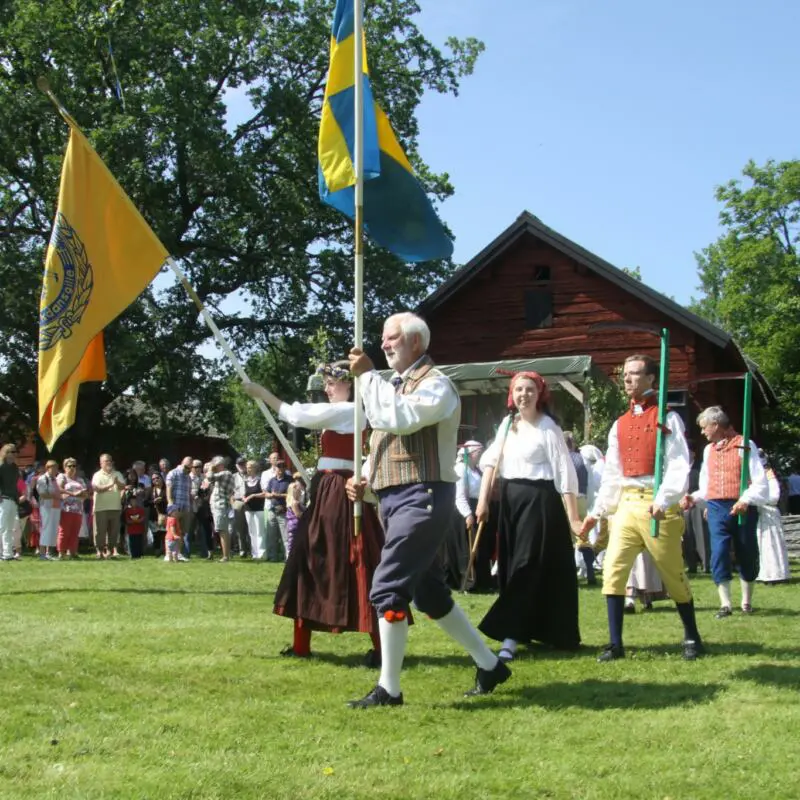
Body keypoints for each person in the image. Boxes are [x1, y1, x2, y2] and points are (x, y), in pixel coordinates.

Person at [345, 312, 511, 707]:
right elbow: (386, 442)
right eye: (384, 339)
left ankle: (390, 688)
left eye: (392, 339)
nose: (383, 345)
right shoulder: (392, 387)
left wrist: (367, 376)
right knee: (429, 594)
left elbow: (398, 419)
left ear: (416, 343)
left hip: (424, 498)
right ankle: (490, 665)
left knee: (388, 587)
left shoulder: (437, 386)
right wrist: (366, 484)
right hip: (399, 500)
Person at [244, 362, 384, 663]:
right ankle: (301, 645)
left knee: (343, 561)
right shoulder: (346, 412)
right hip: (328, 488)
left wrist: (262, 393)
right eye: (326, 382)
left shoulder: (349, 410)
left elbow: (296, 415)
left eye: (332, 382)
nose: (327, 387)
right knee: (310, 560)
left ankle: (381, 648)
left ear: (350, 384)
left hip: (338, 492)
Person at [580, 354, 703, 662]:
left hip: (655, 503)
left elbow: (678, 463)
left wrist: (664, 500)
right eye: (625, 375)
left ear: (651, 379)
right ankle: (615, 643)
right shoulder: (619, 424)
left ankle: (691, 635)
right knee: (613, 570)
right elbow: (612, 474)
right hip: (626, 504)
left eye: (635, 374)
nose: (628, 380)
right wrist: (597, 512)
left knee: (673, 572)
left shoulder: (667, 417)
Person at [476, 372, 582, 661]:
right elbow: (489, 463)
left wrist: (573, 518)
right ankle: (524, 629)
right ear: (512, 394)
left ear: (540, 394)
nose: (524, 394)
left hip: (540, 502)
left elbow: (565, 473)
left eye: (530, 390)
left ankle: (509, 635)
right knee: (512, 566)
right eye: (519, 389)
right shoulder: (507, 425)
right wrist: (482, 502)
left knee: (527, 564)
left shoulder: (548, 428)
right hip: (510, 502)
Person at [681, 406, 769, 616]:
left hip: (741, 506)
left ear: (715, 425)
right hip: (716, 507)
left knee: (746, 550)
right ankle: (725, 603)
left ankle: (746, 601)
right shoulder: (708, 450)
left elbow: (760, 483)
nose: (702, 432)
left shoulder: (745, 445)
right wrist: (693, 497)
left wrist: (745, 499)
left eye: (704, 428)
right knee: (718, 552)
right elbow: (706, 485)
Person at [565, 431, 596, 585]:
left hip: (565, 500)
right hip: (582, 498)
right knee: (583, 536)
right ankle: (590, 570)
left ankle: (568, 573)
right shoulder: (582, 459)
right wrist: (588, 501)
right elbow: (590, 482)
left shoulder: (560, 459)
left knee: (565, 538)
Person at [755, 450, 791, 584]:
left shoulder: (769, 475)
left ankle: (776, 574)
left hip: (769, 513)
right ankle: (763, 573)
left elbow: (774, 495)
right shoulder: (755, 477)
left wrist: (757, 500)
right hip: (760, 513)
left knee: (772, 544)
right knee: (761, 544)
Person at [91, 454, 125, 559]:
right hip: (101, 508)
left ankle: (111, 551)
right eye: (106, 461)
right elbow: (97, 488)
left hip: (115, 507)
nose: (109, 462)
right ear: (101, 463)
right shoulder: (97, 475)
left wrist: (117, 482)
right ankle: (100, 551)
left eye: (110, 460)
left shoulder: (117, 474)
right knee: (100, 532)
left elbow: (123, 486)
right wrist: (111, 484)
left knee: (114, 532)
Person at [262, 457, 293, 561]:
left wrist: (278, 495)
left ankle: (288, 557)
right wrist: (269, 495)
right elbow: (266, 493)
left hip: (283, 510)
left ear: (285, 468)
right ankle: (273, 557)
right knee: (271, 535)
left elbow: (292, 494)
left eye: (282, 467)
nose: (280, 469)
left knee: (286, 536)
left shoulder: (289, 480)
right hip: (272, 509)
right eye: (278, 467)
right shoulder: (272, 480)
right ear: (275, 468)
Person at [57, 458, 88, 559]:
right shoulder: (62, 477)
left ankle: (73, 552)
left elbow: (85, 493)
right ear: (64, 467)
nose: (72, 468)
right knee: (64, 531)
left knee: (75, 532)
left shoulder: (80, 480)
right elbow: (59, 489)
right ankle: (61, 552)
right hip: (66, 509)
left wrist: (81, 494)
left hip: (78, 509)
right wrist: (73, 493)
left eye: (74, 466)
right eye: (69, 466)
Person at [206, 456, 236, 562]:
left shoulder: (225, 473)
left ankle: (225, 556)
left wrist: (210, 468)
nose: (213, 466)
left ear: (220, 465)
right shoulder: (222, 475)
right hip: (219, 505)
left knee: (223, 531)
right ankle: (226, 555)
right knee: (222, 530)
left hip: (220, 505)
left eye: (215, 464)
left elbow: (209, 477)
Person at [0, 444, 26, 561]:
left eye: (15, 452)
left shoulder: (15, 468)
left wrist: (17, 498)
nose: (15, 454)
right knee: (2, 526)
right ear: (6, 453)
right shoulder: (1, 466)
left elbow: (15, 485)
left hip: (12, 500)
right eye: (12, 452)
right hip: (3, 499)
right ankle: (2, 553)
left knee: (10, 528)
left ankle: (8, 554)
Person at [36, 460, 62, 560]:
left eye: (56, 467)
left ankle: (49, 553)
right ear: (48, 468)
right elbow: (42, 493)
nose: (55, 470)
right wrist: (55, 495)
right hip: (46, 507)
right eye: (53, 467)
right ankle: (42, 554)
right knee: (46, 529)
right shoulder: (43, 479)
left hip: (56, 507)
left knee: (53, 530)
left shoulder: (55, 479)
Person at [231, 455, 250, 557]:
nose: (242, 466)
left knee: (251, 526)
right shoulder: (233, 476)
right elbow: (230, 492)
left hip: (250, 501)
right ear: (236, 465)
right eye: (240, 464)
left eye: (243, 463)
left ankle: (253, 549)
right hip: (238, 502)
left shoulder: (251, 474)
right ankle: (242, 549)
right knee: (239, 528)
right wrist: (232, 503)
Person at [124, 494, 148, 559]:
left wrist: (138, 520)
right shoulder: (127, 510)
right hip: (131, 531)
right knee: (132, 543)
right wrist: (133, 521)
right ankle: (132, 554)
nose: (133, 502)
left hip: (139, 530)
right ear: (129, 502)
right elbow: (127, 520)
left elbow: (143, 518)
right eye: (132, 501)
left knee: (139, 543)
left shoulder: (140, 509)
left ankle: (139, 555)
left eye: (135, 501)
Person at [150, 472, 168, 557]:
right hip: (154, 516)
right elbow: (145, 502)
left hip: (165, 515)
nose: (155, 480)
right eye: (153, 479)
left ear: (161, 478)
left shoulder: (167, 489)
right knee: (156, 534)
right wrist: (153, 501)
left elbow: (171, 499)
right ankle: (157, 551)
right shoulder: (151, 490)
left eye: (157, 477)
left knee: (165, 534)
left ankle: (166, 551)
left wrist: (163, 500)